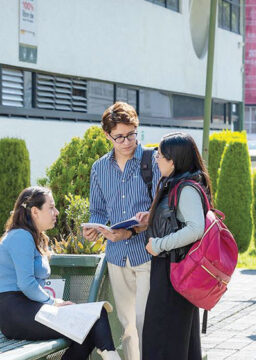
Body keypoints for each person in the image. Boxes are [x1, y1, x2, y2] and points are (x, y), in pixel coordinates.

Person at [0, 186, 121, 360]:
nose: (57, 211)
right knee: (94, 319)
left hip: (27, 309)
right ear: (34, 211)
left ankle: (112, 356)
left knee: (92, 320)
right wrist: (53, 302)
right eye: (51, 207)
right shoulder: (20, 236)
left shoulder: (32, 237)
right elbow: (26, 283)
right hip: (17, 312)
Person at [83, 102, 160, 360]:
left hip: (147, 253)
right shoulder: (99, 169)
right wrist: (95, 228)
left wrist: (143, 222)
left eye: (132, 134)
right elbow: (98, 210)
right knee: (127, 326)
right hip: (116, 256)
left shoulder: (153, 161)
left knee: (144, 321)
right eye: (120, 137)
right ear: (108, 136)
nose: (127, 142)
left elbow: (162, 210)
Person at [138, 132, 212, 360]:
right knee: (174, 338)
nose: (156, 159)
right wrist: (151, 218)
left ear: (173, 160)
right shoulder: (177, 184)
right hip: (172, 271)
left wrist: (159, 244)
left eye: (160, 155)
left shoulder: (186, 188)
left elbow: (195, 228)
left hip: (174, 271)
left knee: (165, 337)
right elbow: (175, 220)